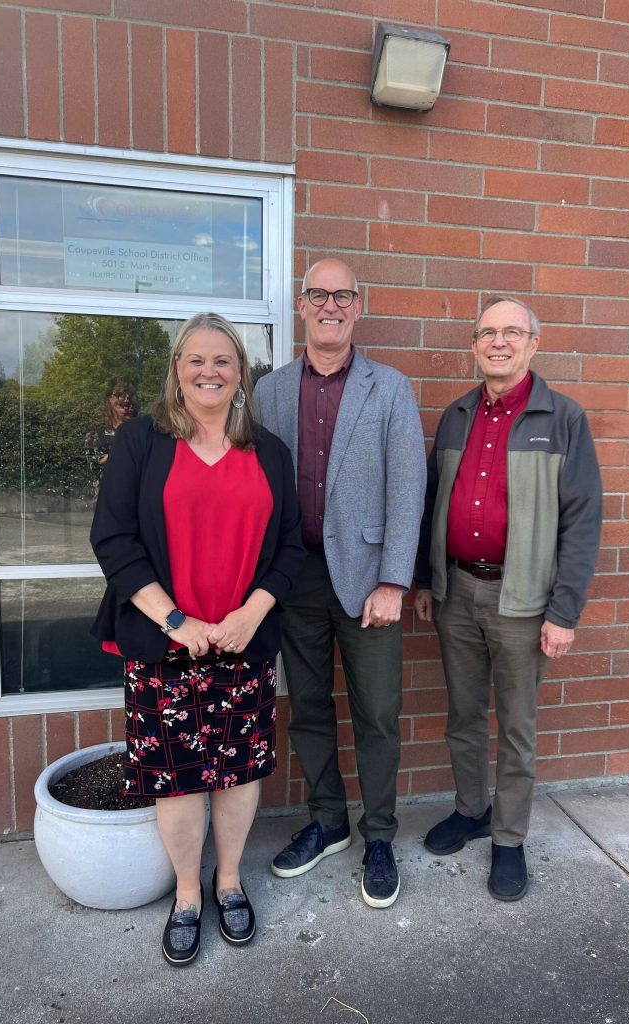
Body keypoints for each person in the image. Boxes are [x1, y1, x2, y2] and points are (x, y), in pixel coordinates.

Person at [90, 313, 304, 965]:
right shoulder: (140, 442)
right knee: (178, 780)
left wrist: (249, 615)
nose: (209, 372)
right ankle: (188, 894)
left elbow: (290, 548)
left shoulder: (268, 451)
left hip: (243, 644)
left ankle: (229, 879)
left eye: (223, 361)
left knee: (236, 773)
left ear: (242, 373)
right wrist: (176, 621)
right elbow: (114, 540)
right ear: (177, 369)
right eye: (195, 360)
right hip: (164, 645)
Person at [414, 296, 602, 902]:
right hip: (458, 592)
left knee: (517, 729)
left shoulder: (563, 418)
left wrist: (563, 611)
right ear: (474, 344)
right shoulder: (457, 416)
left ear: (533, 344)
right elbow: (431, 502)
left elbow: (582, 520)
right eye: (487, 332)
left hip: (524, 602)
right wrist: (425, 579)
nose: (499, 342)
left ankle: (509, 839)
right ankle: (471, 811)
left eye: (512, 332)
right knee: (464, 717)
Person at [253, 258, 426, 909]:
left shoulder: (390, 388)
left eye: (342, 295)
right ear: (301, 305)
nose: (331, 304)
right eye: (319, 294)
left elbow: (409, 490)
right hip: (294, 580)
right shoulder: (270, 390)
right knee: (309, 709)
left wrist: (394, 580)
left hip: (367, 586)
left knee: (378, 713)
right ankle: (328, 820)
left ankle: (378, 835)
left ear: (359, 305)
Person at [85, 380, 139, 492]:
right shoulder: (97, 430)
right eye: (120, 395)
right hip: (108, 496)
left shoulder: (142, 427)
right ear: (109, 399)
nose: (126, 399)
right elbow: (93, 464)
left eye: (130, 395)